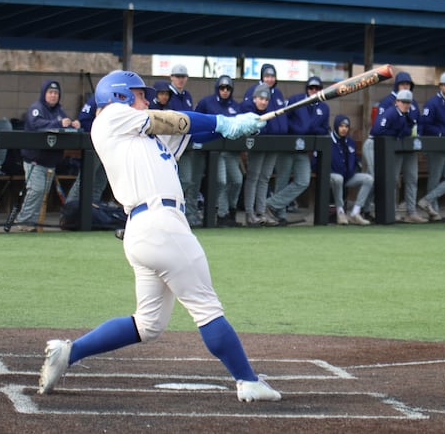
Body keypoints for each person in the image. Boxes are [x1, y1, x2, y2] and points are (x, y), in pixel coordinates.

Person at [36, 69, 281, 403]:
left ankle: (68, 353)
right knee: (206, 307)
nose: (147, 99)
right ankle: (247, 380)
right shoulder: (111, 118)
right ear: (119, 96)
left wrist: (237, 125)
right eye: (139, 94)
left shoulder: (142, 137)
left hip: (148, 229)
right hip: (160, 223)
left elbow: (191, 131)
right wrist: (224, 122)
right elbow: (173, 119)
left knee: (148, 324)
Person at [13, 80, 80, 231]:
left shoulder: (59, 111)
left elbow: (64, 123)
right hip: (34, 159)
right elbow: (38, 125)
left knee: (42, 193)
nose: (53, 96)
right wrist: (59, 124)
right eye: (50, 92)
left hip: (51, 161)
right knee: (35, 190)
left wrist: (73, 124)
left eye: (56, 93)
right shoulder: (36, 108)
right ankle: (23, 222)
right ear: (44, 94)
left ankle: (33, 224)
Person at [266, 76, 330, 226]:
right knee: (282, 178)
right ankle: (279, 214)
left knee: (303, 180)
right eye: (311, 88)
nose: (313, 91)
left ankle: (270, 204)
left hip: (303, 149)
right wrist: (297, 129)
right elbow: (284, 119)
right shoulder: (297, 99)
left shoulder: (323, 107)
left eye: (317, 88)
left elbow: (324, 129)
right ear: (307, 88)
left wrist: (309, 129)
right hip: (288, 145)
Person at [368, 89, 427, 223]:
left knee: (412, 179)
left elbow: (412, 127)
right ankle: (390, 211)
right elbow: (377, 130)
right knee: (391, 180)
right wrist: (396, 134)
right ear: (396, 102)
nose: (406, 105)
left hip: (407, 149)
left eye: (408, 102)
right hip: (389, 150)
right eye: (403, 102)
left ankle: (411, 212)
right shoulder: (391, 113)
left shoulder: (407, 114)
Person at [194, 75, 243, 227]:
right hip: (213, 149)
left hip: (230, 150)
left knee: (237, 180)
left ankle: (231, 211)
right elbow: (197, 120)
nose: (225, 91)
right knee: (220, 181)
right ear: (217, 88)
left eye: (228, 88)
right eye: (222, 88)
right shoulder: (206, 102)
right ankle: (219, 213)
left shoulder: (235, 106)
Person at [239, 83, 287, 226]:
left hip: (271, 146)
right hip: (256, 148)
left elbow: (276, 128)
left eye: (266, 100)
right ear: (254, 98)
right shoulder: (248, 110)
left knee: (265, 177)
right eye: (260, 98)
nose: (263, 102)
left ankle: (261, 212)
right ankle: (249, 213)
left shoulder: (272, 111)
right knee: (253, 177)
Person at [418, 71, 445, 221]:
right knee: (434, 178)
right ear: (441, 86)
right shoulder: (432, 103)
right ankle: (433, 211)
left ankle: (427, 200)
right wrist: (441, 134)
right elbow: (425, 125)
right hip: (437, 146)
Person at [166, 64, 204, 227]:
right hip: (169, 145)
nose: (180, 80)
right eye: (177, 76)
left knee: (187, 180)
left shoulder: (186, 95)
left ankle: (184, 213)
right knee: (170, 180)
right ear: (171, 77)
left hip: (185, 144)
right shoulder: (167, 95)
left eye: (183, 77)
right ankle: (170, 212)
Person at [66, 94, 110, 204]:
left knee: (100, 182)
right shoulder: (98, 98)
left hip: (109, 147)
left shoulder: (124, 100)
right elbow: (83, 121)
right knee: (85, 180)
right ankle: (69, 211)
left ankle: (92, 213)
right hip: (94, 145)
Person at [329, 115, 372, 225]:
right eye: (341, 126)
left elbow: (354, 159)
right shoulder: (328, 140)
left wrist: (356, 167)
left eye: (347, 127)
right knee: (338, 179)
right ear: (336, 126)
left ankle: (355, 212)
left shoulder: (350, 141)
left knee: (368, 179)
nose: (344, 129)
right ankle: (340, 211)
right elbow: (316, 161)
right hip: (331, 176)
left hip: (347, 176)